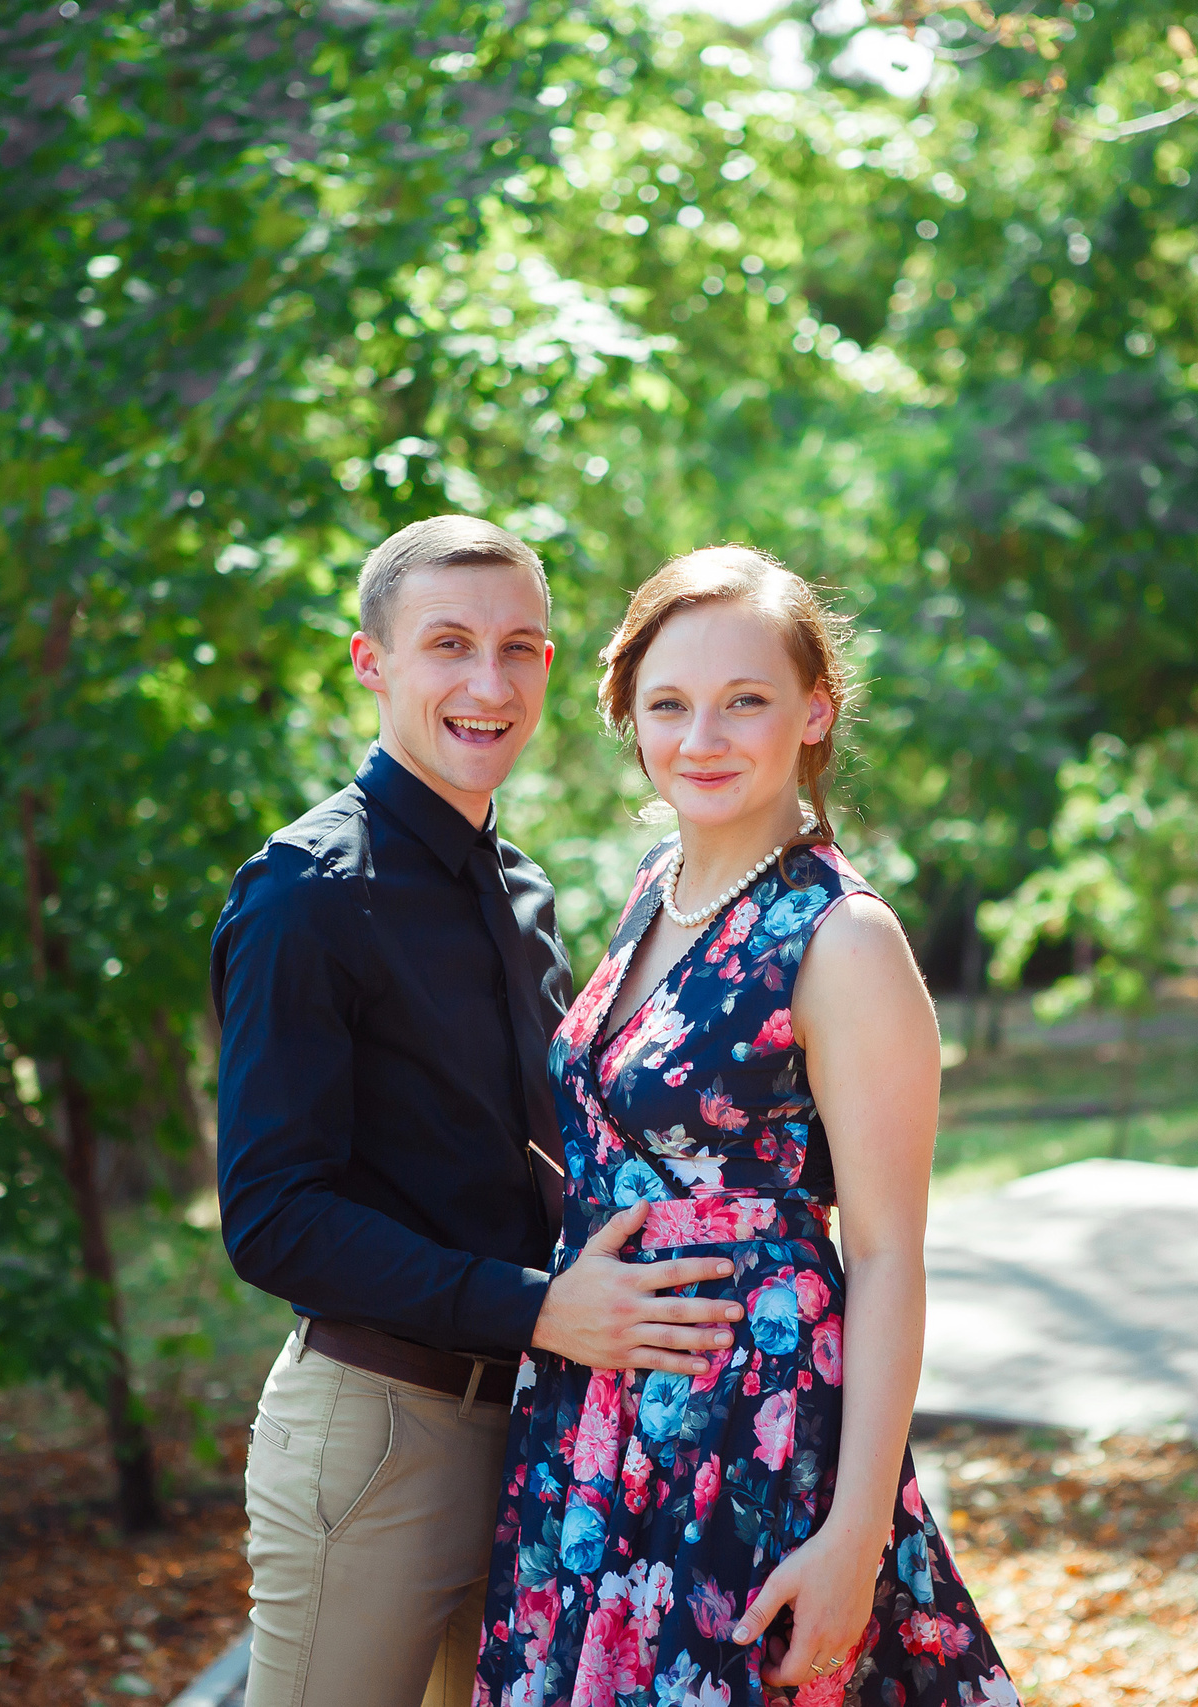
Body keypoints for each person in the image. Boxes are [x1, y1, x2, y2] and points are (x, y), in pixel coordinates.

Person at [212, 516, 754, 1707]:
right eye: (448, 644)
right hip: (378, 1435)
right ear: (372, 663)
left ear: (549, 667)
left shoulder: (524, 892)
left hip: (542, 1431)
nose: (488, 684)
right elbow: (270, 1218)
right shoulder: (307, 894)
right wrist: (540, 1308)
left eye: (518, 649)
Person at [474, 547, 1019, 1705]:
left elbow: (886, 1254)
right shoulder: (656, 889)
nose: (702, 738)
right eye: (669, 705)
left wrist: (855, 1537)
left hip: (750, 1436)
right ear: (629, 716)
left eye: (745, 701)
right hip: (597, 1428)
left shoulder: (842, 937)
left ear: (814, 712)